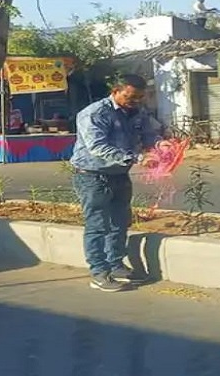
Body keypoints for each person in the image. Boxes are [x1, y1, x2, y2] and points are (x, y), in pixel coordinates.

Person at [70, 74, 163, 292]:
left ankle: (116, 265)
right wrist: (138, 158)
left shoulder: (138, 112)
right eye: (130, 97)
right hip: (92, 175)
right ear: (115, 92)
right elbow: (98, 147)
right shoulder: (95, 113)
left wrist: (160, 145)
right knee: (97, 225)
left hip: (120, 174)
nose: (135, 102)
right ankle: (99, 272)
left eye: (139, 97)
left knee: (120, 222)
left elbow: (149, 135)